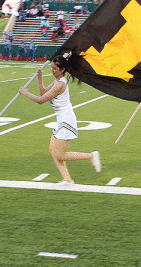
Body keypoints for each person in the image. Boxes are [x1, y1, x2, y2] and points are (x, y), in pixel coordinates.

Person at [18, 54, 100, 186]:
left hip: (67, 120)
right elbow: (43, 92)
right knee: (53, 151)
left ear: (62, 70)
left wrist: (25, 92)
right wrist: (40, 78)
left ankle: (91, 156)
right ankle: (67, 180)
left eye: (55, 68)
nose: (52, 70)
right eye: (51, 67)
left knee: (60, 154)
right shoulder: (57, 81)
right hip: (61, 119)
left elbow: (41, 100)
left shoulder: (60, 84)